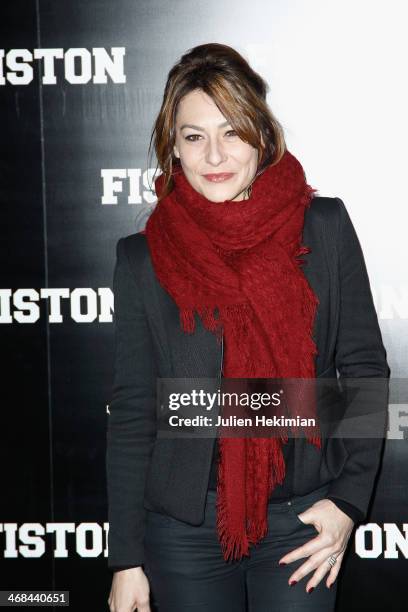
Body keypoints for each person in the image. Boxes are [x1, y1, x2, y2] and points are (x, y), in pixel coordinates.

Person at [106, 43, 390, 612]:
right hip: (183, 528)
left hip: (300, 518)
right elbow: (134, 412)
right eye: (194, 136)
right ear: (173, 149)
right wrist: (125, 559)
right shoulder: (143, 257)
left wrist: (347, 504)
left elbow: (363, 370)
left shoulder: (324, 227)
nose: (215, 153)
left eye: (232, 131)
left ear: (262, 136)